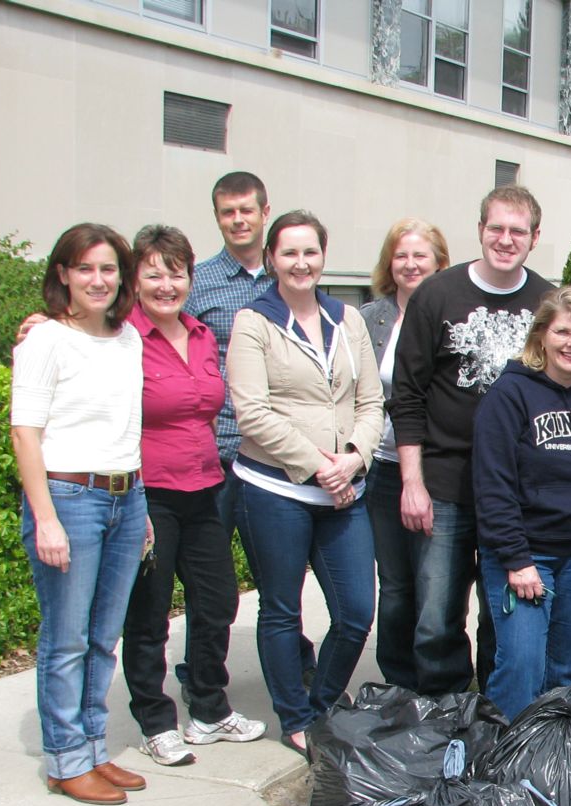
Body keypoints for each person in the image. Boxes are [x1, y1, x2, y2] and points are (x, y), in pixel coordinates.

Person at [226, 211, 383, 755]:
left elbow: (370, 402)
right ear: (272, 258)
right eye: (289, 253)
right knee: (281, 609)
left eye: (310, 252)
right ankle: (294, 717)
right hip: (276, 491)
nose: (300, 263)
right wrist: (321, 465)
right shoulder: (254, 322)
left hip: (345, 491)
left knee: (357, 611)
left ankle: (321, 705)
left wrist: (354, 458)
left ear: (323, 256)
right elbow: (253, 413)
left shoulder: (349, 320)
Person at [390, 186, 553, 697]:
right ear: (480, 228)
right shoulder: (436, 295)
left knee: (502, 613)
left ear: (534, 238)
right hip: (445, 483)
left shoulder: (547, 302)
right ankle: (443, 713)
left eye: (517, 231)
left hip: (516, 490)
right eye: (496, 228)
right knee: (438, 615)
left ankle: (493, 714)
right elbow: (408, 396)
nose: (505, 240)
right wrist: (411, 482)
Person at [11, 224, 149, 804]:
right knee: (66, 639)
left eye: (109, 269)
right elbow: (25, 432)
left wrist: (138, 509)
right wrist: (44, 518)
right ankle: (65, 760)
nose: (99, 280)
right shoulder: (44, 341)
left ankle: (92, 747)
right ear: (63, 274)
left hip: (126, 494)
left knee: (102, 636)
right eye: (86, 268)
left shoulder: (127, 339)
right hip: (70, 499)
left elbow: (127, 426)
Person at [120, 225, 266, 766]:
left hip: (206, 483)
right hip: (149, 492)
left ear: (189, 278)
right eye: (153, 273)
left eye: (175, 272)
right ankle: (155, 721)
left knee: (218, 601)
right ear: (135, 280)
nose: (165, 284)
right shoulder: (122, 338)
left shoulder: (202, 334)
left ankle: (208, 705)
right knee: (150, 614)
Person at [182, 171, 317, 680]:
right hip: (219, 454)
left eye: (247, 210)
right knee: (209, 584)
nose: (238, 220)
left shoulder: (293, 277)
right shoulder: (198, 283)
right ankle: (204, 679)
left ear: (265, 213)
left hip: (278, 459)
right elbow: (150, 330)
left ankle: (296, 670)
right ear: (218, 218)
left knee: (279, 579)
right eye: (227, 212)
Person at [472, 287, 571, 721]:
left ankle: (559, 768)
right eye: (563, 332)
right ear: (541, 336)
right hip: (526, 554)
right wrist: (517, 560)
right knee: (522, 664)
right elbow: (493, 485)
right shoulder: (508, 396)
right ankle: (503, 763)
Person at [358, 218, 452, 690]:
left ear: (440, 263)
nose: (410, 264)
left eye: (421, 256)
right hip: (383, 468)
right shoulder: (368, 319)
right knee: (394, 587)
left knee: (436, 587)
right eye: (401, 255)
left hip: (437, 471)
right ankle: (397, 685)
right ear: (388, 263)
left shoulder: (452, 315)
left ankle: (436, 684)